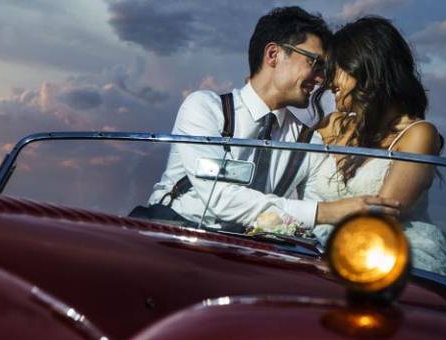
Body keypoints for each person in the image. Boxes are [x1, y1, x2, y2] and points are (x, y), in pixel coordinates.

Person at [146, 6, 399, 230]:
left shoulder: (307, 142)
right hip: (174, 240)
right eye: (315, 63)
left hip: (251, 260)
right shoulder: (205, 108)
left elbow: (309, 223)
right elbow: (219, 198)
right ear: (273, 55)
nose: (321, 78)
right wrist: (325, 212)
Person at [306, 16, 446, 277]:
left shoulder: (418, 134)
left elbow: (382, 214)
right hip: (314, 247)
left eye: (338, 68)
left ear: (365, 66)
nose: (330, 83)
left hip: (382, 252)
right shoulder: (332, 126)